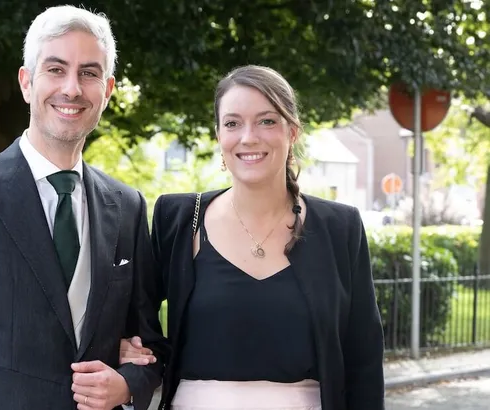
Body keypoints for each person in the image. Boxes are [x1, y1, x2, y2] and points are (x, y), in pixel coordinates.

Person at [0, 5, 167, 409]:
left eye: (89, 73)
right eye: (56, 69)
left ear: (107, 91)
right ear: (27, 83)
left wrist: (128, 382)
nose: (72, 89)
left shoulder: (127, 206)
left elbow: (148, 346)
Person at [120, 65, 385, 409]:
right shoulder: (178, 219)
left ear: (292, 132)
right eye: (232, 123)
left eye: (267, 121)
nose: (248, 137)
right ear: (218, 135)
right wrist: (128, 357)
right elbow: (140, 327)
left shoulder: (340, 227)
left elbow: (363, 360)